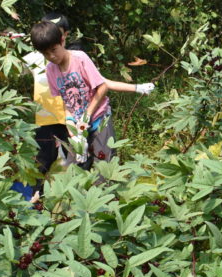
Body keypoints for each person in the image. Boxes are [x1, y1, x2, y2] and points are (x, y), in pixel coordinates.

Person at [25, 13, 154, 177]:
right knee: (75, 170)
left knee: (105, 167)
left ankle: (107, 198)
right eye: (46, 53)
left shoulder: (80, 59)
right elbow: (65, 102)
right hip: (78, 126)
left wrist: (87, 115)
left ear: (62, 41)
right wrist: (72, 129)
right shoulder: (51, 69)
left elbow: (102, 87)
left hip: (99, 119)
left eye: (53, 50)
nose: (52, 56)